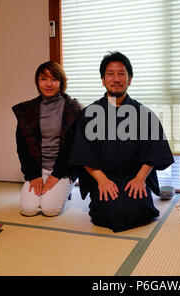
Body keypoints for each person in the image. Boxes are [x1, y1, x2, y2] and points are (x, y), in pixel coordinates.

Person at [68, 52, 174, 232]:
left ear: (130, 79)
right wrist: (102, 181)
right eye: (110, 74)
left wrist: (140, 179)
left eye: (121, 74)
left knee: (140, 210)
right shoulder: (89, 114)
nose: (116, 79)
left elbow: (155, 150)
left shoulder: (143, 114)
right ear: (103, 79)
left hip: (134, 177)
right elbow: (83, 153)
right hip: (102, 178)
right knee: (106, 212)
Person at [12, 61, 83, 216]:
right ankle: (47, 190)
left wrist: (55, 176)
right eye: (44, 79)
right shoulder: (27, 111)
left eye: (54, 79)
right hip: (38, 168)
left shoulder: (72, 110)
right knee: (28, 210)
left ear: (61, 82)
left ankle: (66, 189)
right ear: (37, 82)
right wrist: (33, 176)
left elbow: (72, 149)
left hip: (63, 170)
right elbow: (22, 147)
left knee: (50, 210)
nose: (48, 84)